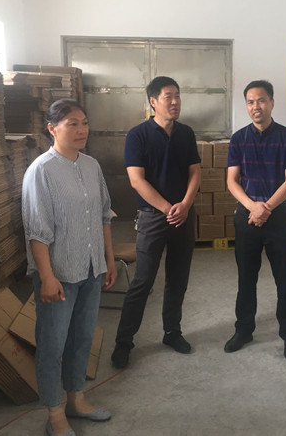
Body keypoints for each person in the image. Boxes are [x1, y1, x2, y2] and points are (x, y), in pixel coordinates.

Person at [21, 99, 117, 436]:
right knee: (52, 345)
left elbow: (104, 215)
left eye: (84, 123)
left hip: (91, 270)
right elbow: (36, 231)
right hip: (59, 275)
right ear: (52, 128)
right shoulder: (41, 171)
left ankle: (77, 399)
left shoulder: (91, 166)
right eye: (72, 123)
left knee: (82, 339)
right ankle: (55, 413)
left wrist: (108, 260)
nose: (81, 130)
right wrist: (47, 278)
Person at [111, 76, 201, 369]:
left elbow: (195, 172)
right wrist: (167, 209)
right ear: (153, 101)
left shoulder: (186, 133)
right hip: (152, 217)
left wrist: (185, 205)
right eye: (168, 96)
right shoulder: (137, 135)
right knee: (142, 281)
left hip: (183, 215)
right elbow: (136, 180)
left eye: (178, 96)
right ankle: (124, 342)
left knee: (178, 279)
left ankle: (172, 332)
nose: (175, 102)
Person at [224, 79, 286, 361]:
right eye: (250, 101)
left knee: (284, 278)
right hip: (246, 218)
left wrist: (266, 207)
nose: (255, 106)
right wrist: (253, 208)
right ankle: (244, 330)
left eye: (260, 100)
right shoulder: (238, 139)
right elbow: (232, 181)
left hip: (279, 217)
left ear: (271, 102)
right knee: (246, 277)